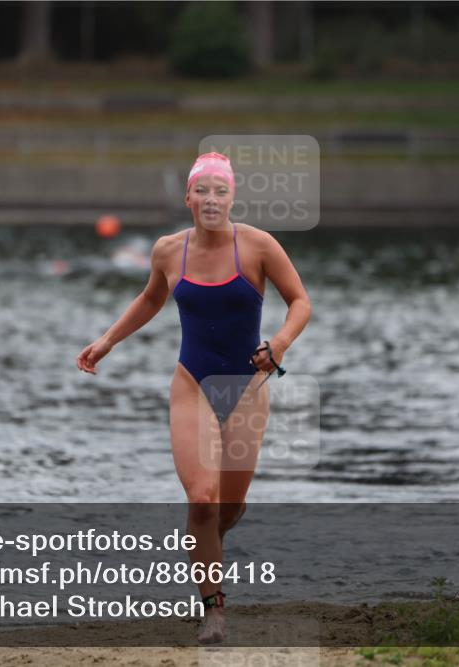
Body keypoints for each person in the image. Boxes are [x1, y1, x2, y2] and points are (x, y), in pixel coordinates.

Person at [76, 152, 311, 644]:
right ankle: (215, 611)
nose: (210, 199)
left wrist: (281, 343)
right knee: (201, 500)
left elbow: (300, 302)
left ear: (232, 197)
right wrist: (107, 341)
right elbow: (150, 299)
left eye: (219, 190)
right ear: (187, 198)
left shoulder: (259, 246)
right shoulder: (168, 251)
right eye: (201, 190)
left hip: (247, 387)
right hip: (192, 383)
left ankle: (207, 545)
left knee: (228, 506)